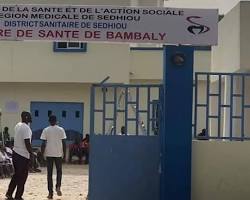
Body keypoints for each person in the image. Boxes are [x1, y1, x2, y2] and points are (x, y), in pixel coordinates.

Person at [6, 111, 33, 200]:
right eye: (29, 116)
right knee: (22, 177)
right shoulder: (26, 128)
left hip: (15, 153)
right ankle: (18, 196)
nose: (31, 117)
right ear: (26, 117)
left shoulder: (18, 125)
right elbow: (27, 142)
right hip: (23, 155)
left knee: (16, 175)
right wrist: (31, 154)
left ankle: (9, 193)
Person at [40, 115, 67, 199]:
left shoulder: (46, 130)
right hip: (58, 154)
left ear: (49, 121)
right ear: (56, 121)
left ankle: (50, 193)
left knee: (49, 174)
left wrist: (42, 153)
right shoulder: (61, 129)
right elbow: (64, 143)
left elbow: (43, 143)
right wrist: (64, 154)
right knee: (59, 171)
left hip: (49, 154)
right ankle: (58, 186)